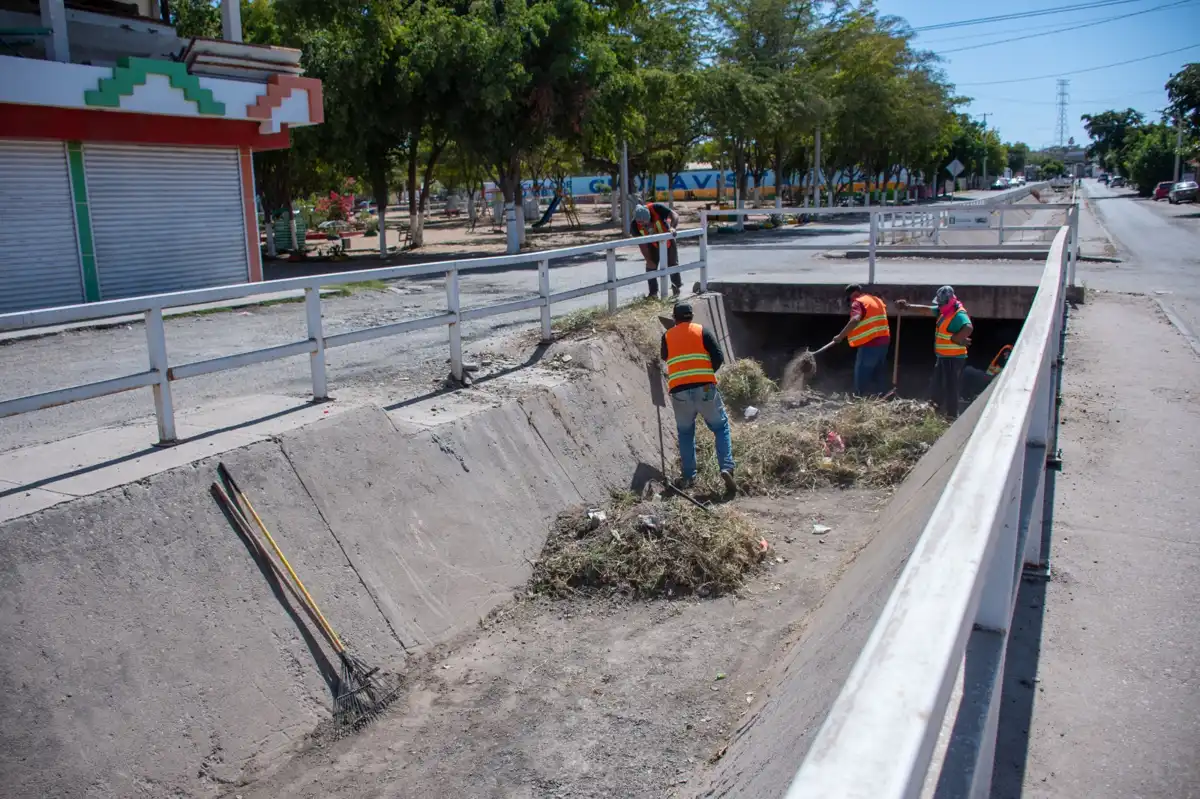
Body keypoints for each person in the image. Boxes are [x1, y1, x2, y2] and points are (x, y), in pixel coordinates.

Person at [661, 302, 737, 494]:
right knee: (720, 427)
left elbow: (665, 357)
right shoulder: (702, 331)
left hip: (679, 392)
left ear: (674, 317)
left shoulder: (667, 336)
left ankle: (688, 476)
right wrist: (706, 373)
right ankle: (727, 468)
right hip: (704, 388)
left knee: (686, 433)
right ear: (691, 316)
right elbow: (718, 356)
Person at [896, 285, 974, 418]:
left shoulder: (958, 314)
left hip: (954, 358)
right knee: (937, 383)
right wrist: (907, 306)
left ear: (949, 301)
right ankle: (935, 409)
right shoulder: (943, 311)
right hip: (943, 356)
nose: (939, 306)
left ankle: (951, 415)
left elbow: (968, 327)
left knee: (951, 386)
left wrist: (957, 338)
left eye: (941, 304)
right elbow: (926, 310)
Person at [828, 284, 891, 396]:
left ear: (853, 294)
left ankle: (859, 398)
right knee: (879, 370)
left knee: (862, 371)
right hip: (884, 341)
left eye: (849, 297)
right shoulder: (876, 300)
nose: (850, 301)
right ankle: (884, 395)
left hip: (870, 343)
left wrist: (840, 336)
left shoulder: (858, 302)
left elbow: (855, 319)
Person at [633, 202, 682, 298]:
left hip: (667, 239)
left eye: (646, 222)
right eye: (641, 224)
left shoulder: (657, 208)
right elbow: (642, 245)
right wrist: (648, 260)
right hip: (652, 243)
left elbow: (674, 215)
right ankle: (653, 293)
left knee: (672, 264)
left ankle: (676, 288)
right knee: (650, 266)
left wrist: (672, 227)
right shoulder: (634, 225)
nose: (646, 226)